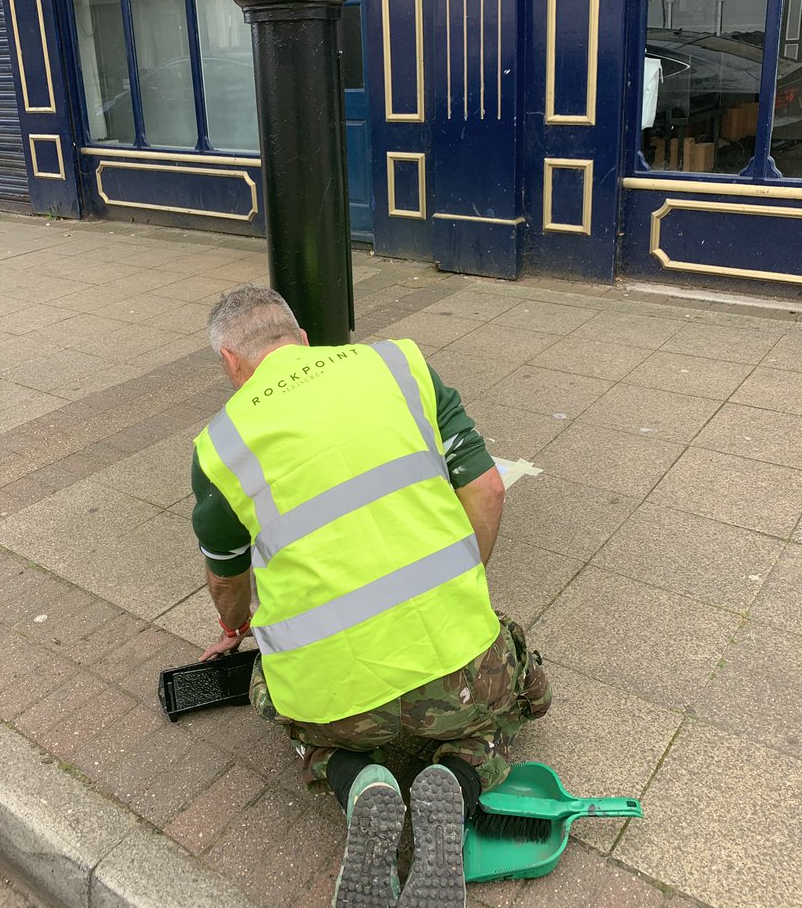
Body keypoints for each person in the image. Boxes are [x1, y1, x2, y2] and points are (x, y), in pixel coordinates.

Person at [191, 285, 550, 908]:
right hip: (458, 674)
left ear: (230, 362)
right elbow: (487, 489)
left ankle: (359, 784)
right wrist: (463, 577)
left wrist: (233, 628)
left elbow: (227, 581)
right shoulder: (399, 364)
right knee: (507, 691)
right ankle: (456, 778)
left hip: (337, 707)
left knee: (268, 690)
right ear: (300, 338)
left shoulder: (220, 447)